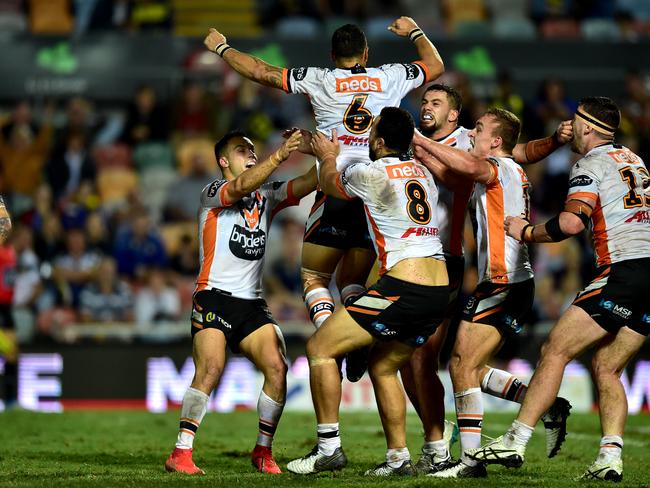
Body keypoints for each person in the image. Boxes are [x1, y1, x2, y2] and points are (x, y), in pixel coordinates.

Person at [204, 18, 445, 381]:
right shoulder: (392, 75)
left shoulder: (321, 78)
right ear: (366, 53)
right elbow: (436, 66)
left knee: (315, 277)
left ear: (332, 56)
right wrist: (414, 31)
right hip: (377, 196)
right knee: (353, 281)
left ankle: (336, 336)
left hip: (335, 186)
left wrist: (222, 48)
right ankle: (355, 335)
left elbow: (261, 72)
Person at [467, 97, 650, 482]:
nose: (569, 128)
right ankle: (609, 458)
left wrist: (526, 231)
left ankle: (515, 441)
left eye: (573, 122)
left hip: (623, 268)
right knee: (607, 365)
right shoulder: (634, 159)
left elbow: (570, 224)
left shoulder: (591, 163)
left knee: (555, 350)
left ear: (586, 127)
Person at [404, 85, 573, 474]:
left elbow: (466, 167)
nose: (471, 135)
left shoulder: (496, 167)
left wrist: (414, 138)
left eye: (478, 129)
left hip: (504, 281)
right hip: (502, 283)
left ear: (495, 140)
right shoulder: (505, 168)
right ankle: (543, 402)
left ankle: (468, 462)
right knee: (471, 367)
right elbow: (454, 172)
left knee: (461, 365)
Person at [286, 107, 449, 477]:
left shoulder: (372, 173)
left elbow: (329, 184)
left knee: (319, 349)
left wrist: (328, 155)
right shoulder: (424, 173)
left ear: (377, 141)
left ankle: (328, 449)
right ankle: (397, 460)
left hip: (404, 285)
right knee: (383, 366)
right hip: (438, 290)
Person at [164, 130, 317, 475]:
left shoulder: (268, 195)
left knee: (278, 368)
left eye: (252, 149)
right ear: (223, 161)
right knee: (211, 367)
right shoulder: (212, 193)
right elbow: (237, 188)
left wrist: (322, 150)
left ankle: (263, 451)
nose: (249, 153)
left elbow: (310, 181)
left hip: (251, 302)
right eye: (240, 150)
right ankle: (181, 452)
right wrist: (277, 157)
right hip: (213, 295)